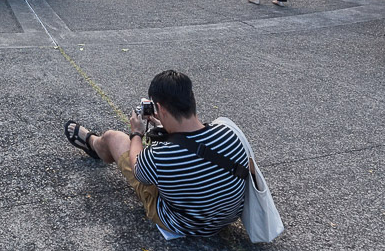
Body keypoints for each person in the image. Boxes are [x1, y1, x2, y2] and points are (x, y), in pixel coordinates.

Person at [63, 70, 249, 238]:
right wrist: (162, 124)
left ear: (161, 109)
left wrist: (137, 132)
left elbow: (138, 170)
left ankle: (93, 143)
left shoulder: (161, 156)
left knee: (115, 138)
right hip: (224, 219)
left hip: (185, 224)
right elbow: (192, 143)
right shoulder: (230, 133)